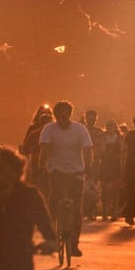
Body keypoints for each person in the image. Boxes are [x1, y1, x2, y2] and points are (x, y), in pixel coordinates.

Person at [35, 101, 93, 259]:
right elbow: (45, 149)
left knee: (75, 208)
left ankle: (74, 244)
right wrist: (43, 165)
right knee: (54, 200)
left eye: (65, 113)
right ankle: (52, 235)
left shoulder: (80, 129)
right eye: (59, 113)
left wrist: (88, 166)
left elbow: (88, 149)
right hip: (56, 170)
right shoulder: (49, 129)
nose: (62, 116)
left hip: (77, 172)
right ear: (55, 115)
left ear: (70, 114)